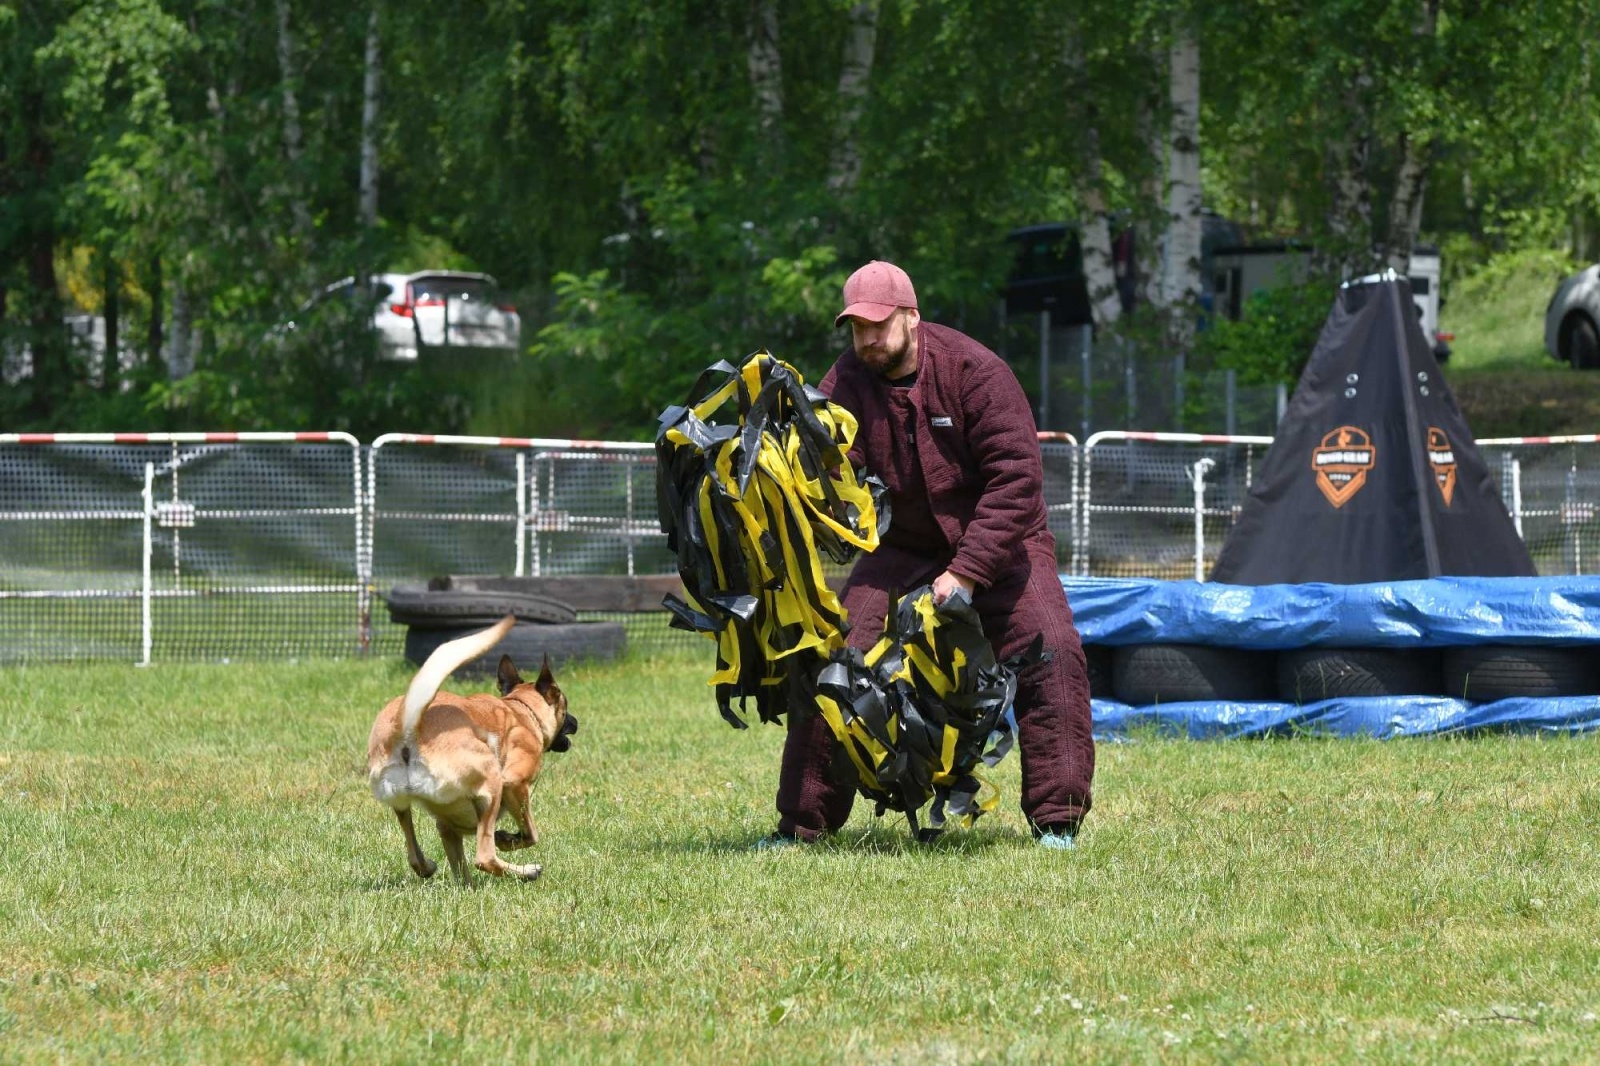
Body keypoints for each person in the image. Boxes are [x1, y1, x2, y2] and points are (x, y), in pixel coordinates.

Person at [761, 260, 1096, 850]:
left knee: (1054, 651)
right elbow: (828, 468)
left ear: (911, 318)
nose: (866, 339)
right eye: (856, 327)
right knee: (834, 663)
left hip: (1004, 542)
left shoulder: (976, 371)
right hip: (903, 546)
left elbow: (1016, 479)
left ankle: (1057, 821)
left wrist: (966, 573)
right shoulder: (845, 380)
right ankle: (801, 827)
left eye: (878, 325)